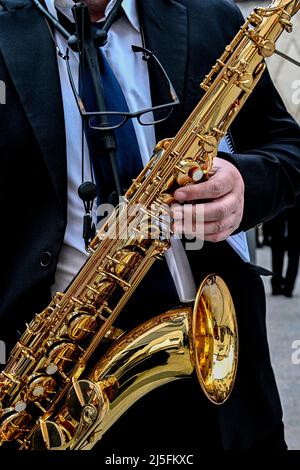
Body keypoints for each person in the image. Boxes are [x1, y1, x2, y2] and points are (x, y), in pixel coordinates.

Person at [0, 0, 300, 452]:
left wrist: (245, 185)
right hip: (52, 388)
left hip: (212, 365)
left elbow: (287, 148)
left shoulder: (211, 16)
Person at [269, 196, 300, 297]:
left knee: (278, 251)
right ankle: (288, 287)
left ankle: (277, 285)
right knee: (293, 254)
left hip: (280, 205)